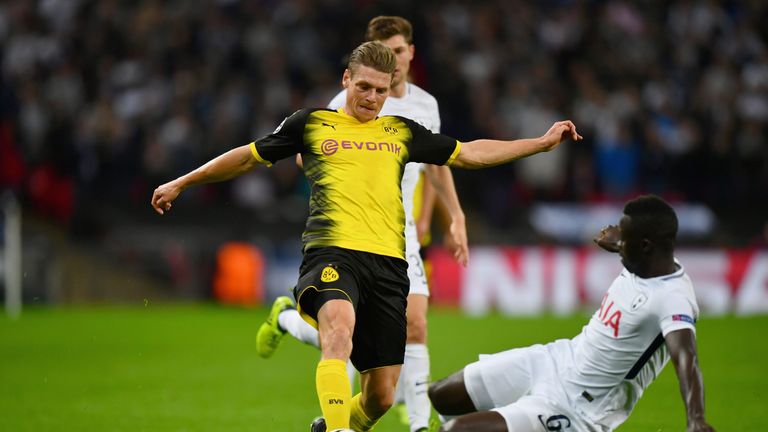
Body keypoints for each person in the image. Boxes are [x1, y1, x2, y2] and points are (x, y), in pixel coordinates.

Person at [151, 40, 581, 432]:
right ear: (346, 80)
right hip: (332, 252)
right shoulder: (312, 124)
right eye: (364, 87)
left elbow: (468, 153)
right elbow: (247, 158)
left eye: (380, 90)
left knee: (380, 395)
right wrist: (183, 182)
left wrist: (538, 144)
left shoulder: (401, 131)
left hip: (390, 265)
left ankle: (339, 426)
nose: (372, 98)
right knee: (338, 331)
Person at [255, 15, 468, 432]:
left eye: (400, 51)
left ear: (410, 53)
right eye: (386, 52)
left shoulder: (426, 105)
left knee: (417, 321)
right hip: (351, 229)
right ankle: (290, 323)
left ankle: (417, 421)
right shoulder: (347, 101)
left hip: (400, 230)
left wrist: (449, 217)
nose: (395, 59)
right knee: (343, 334)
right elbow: (309, 152)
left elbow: (438, 163)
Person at [427, 195, 716, 432]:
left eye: (623, 238)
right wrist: (617, 240)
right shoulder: (646, 258)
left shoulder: (673, 298)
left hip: (577, 408)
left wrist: (696, 419)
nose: (618, 244)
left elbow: (686, 358)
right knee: (440, 395)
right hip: (555, 359)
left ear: (645, 246)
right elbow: (626, 244)